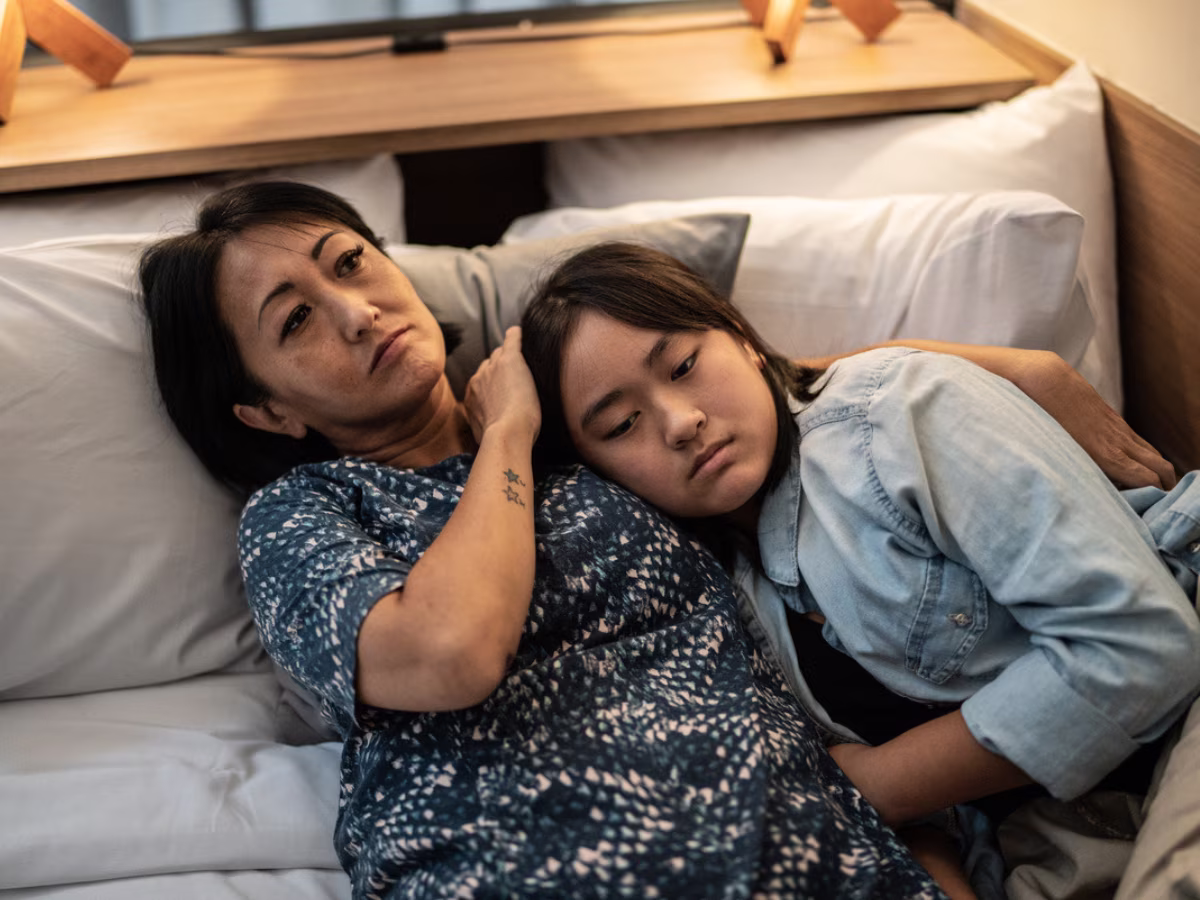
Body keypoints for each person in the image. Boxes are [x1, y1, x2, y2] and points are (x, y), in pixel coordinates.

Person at [138, 182, 1178, 900]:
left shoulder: (606, 436)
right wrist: (502, 430)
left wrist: (1011, 369)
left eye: (350, 263)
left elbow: (721, 384)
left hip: (817, 843)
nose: (358, 311)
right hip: (523, 864)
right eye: (297, 320)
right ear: (264, 412)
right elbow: (448, 654)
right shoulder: (307, 514)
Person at [519, 240, 1200, 896]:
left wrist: (877, 782)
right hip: (1058, 838)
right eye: (620, 425)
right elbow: (933, 805)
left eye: (683, 367)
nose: (679, 421)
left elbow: (1143, 648)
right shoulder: (708, 593)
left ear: (743, 339)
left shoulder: (898, 416)